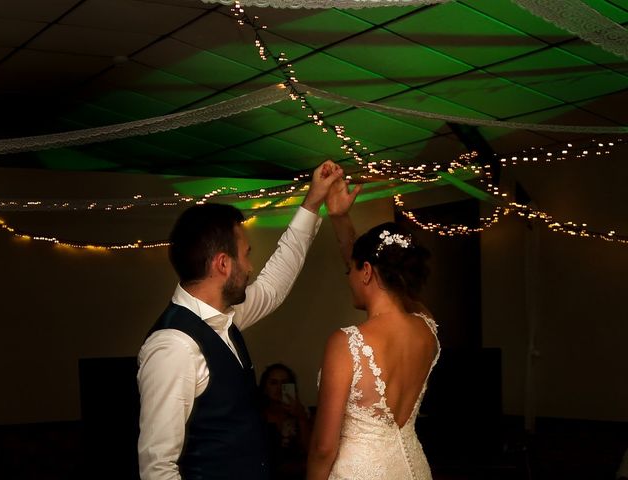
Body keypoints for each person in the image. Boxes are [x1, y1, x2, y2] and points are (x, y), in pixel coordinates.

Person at [137, 161, 343, 480]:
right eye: (246, 254)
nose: (249, 267)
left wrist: (312, 203)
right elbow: (158, 467)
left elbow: (274, 285)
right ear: (223, 264)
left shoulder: (226, 318)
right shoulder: (172, 346)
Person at [307, 177, 440, 480]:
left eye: (349, 270)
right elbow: (378, 275)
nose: (348, 277)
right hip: (414, 470)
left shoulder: (346, 343)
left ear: (365, 271)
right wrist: (340, 218)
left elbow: (323, 448)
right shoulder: (427, 328)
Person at [259, 363, 311, 480]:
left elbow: (312, 452)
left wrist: (301, 417)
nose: (279, 388)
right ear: (265, 388)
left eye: (284, 383)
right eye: (273, 383)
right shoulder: (257, 416)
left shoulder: (302, 413)